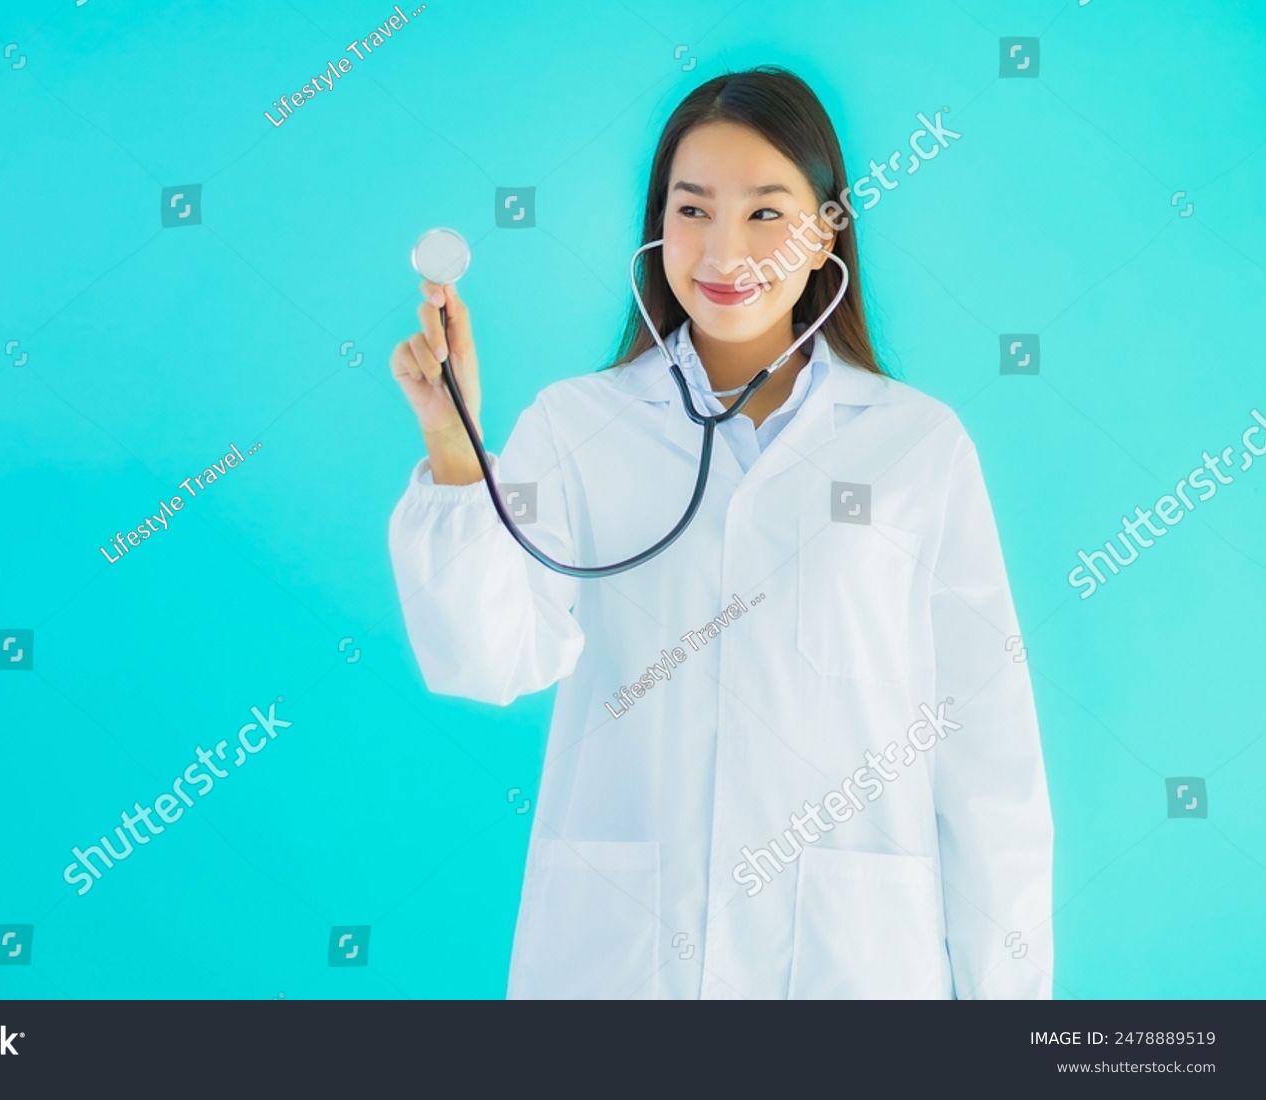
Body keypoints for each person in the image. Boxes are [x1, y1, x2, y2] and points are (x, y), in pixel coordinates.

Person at [387, 67, 1053, 999]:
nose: (723, 250)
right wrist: (455, 447)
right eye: (692, 209)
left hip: (852, 963)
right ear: (658, 224)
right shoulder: (577, 427)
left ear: (827, 232)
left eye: (766, 213)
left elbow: (987, 756)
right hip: (626, 963)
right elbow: (485, 660)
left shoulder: (916, 446)